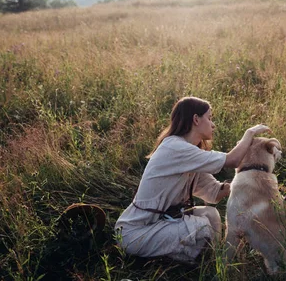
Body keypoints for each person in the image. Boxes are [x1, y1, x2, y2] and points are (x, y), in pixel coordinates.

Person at [114, 96, 270, 263]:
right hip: (136, 232)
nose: (213, 124)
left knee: (210, 214)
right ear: (196, 119)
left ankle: (215, 261)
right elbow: (232, 160)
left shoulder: (189, 156)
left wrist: (252, 187)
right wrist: (250, 134)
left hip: (163, 222)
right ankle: (183, 261)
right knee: (202, 229)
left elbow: (215, 193)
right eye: (209, 118)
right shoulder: (175, 147)